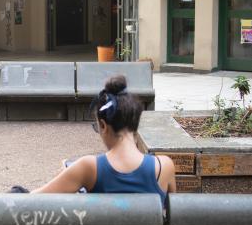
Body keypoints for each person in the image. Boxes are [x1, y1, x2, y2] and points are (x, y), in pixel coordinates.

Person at [30, 75, 176, 206]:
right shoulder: (165, 166)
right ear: (135, 122)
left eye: (97, 127)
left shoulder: (88, 167)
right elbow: (173, 215)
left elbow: (33, 199)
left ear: (104, 126)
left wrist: (64, 175)